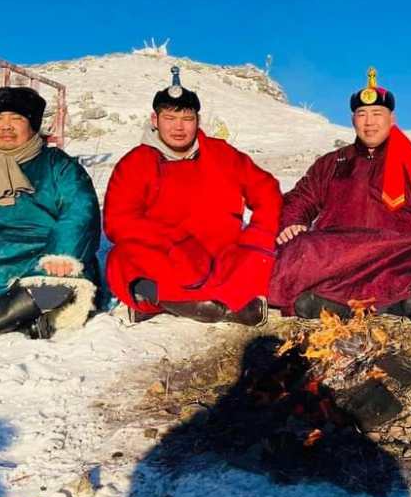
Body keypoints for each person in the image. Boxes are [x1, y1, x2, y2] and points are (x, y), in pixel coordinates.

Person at [268, 68, 411, 327]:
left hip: (394, 250)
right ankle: (360, 303)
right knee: (299, 246)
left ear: (392, 119)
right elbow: (301, 198)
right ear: (353, 120)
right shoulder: (333, 162)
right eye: (362, 114)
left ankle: (383, 301)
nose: (369, 122)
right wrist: (293, 222)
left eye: (377, 114)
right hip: (340, 249)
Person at [104, 69, 282, 325]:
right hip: (167, 255)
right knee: (123, 257)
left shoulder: (222, 154)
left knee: (262, 256)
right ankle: (222, 306)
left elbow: (266, 190)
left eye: (187, 119)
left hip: (222, 255)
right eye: (169, 118)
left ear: (198, 121)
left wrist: (258, 234)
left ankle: (167, 302)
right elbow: (118, 221)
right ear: (155, 120)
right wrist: (174, 241)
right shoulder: (135, 163)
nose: (179, 127)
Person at [0, 86, 101, 350]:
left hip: (42, 253)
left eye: (16, 118)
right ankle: (23, 319)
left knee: (55, 284)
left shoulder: (58, 165)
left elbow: (80, 211)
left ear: (32, 125)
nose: (6, 126)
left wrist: (62, 254)